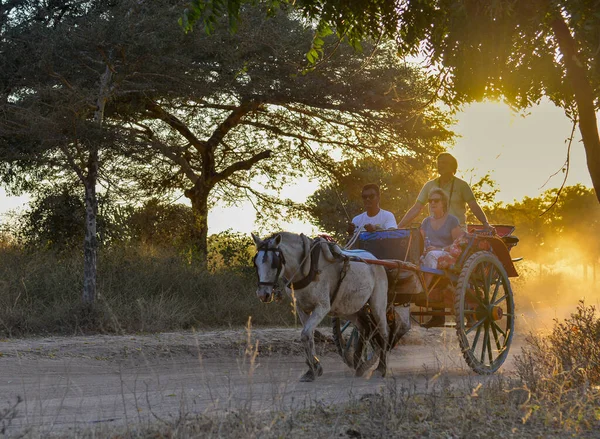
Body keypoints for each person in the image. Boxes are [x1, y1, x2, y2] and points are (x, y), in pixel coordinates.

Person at [397, 153, 492, 230]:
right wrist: (399, 226)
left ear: (453, 166)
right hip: (435, 231)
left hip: (457, 231)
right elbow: (417, 208)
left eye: (444, 163)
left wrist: (485, 223)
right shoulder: (429, 185)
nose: (440, 165)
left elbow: (473, 206)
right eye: (439, 163)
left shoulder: (462, 185)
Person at [420, 187, 465, 328]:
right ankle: (437, 316)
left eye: (436, 200)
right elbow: (419, 241)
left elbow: (459, 243)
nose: (432, 203)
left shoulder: (452, 220)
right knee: (414, 259)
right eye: (430, 200)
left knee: (432, 256)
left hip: (446, 253)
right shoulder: (426, 222)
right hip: (428, 253)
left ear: (443, 202)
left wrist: (438, 249)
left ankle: (424, 291)